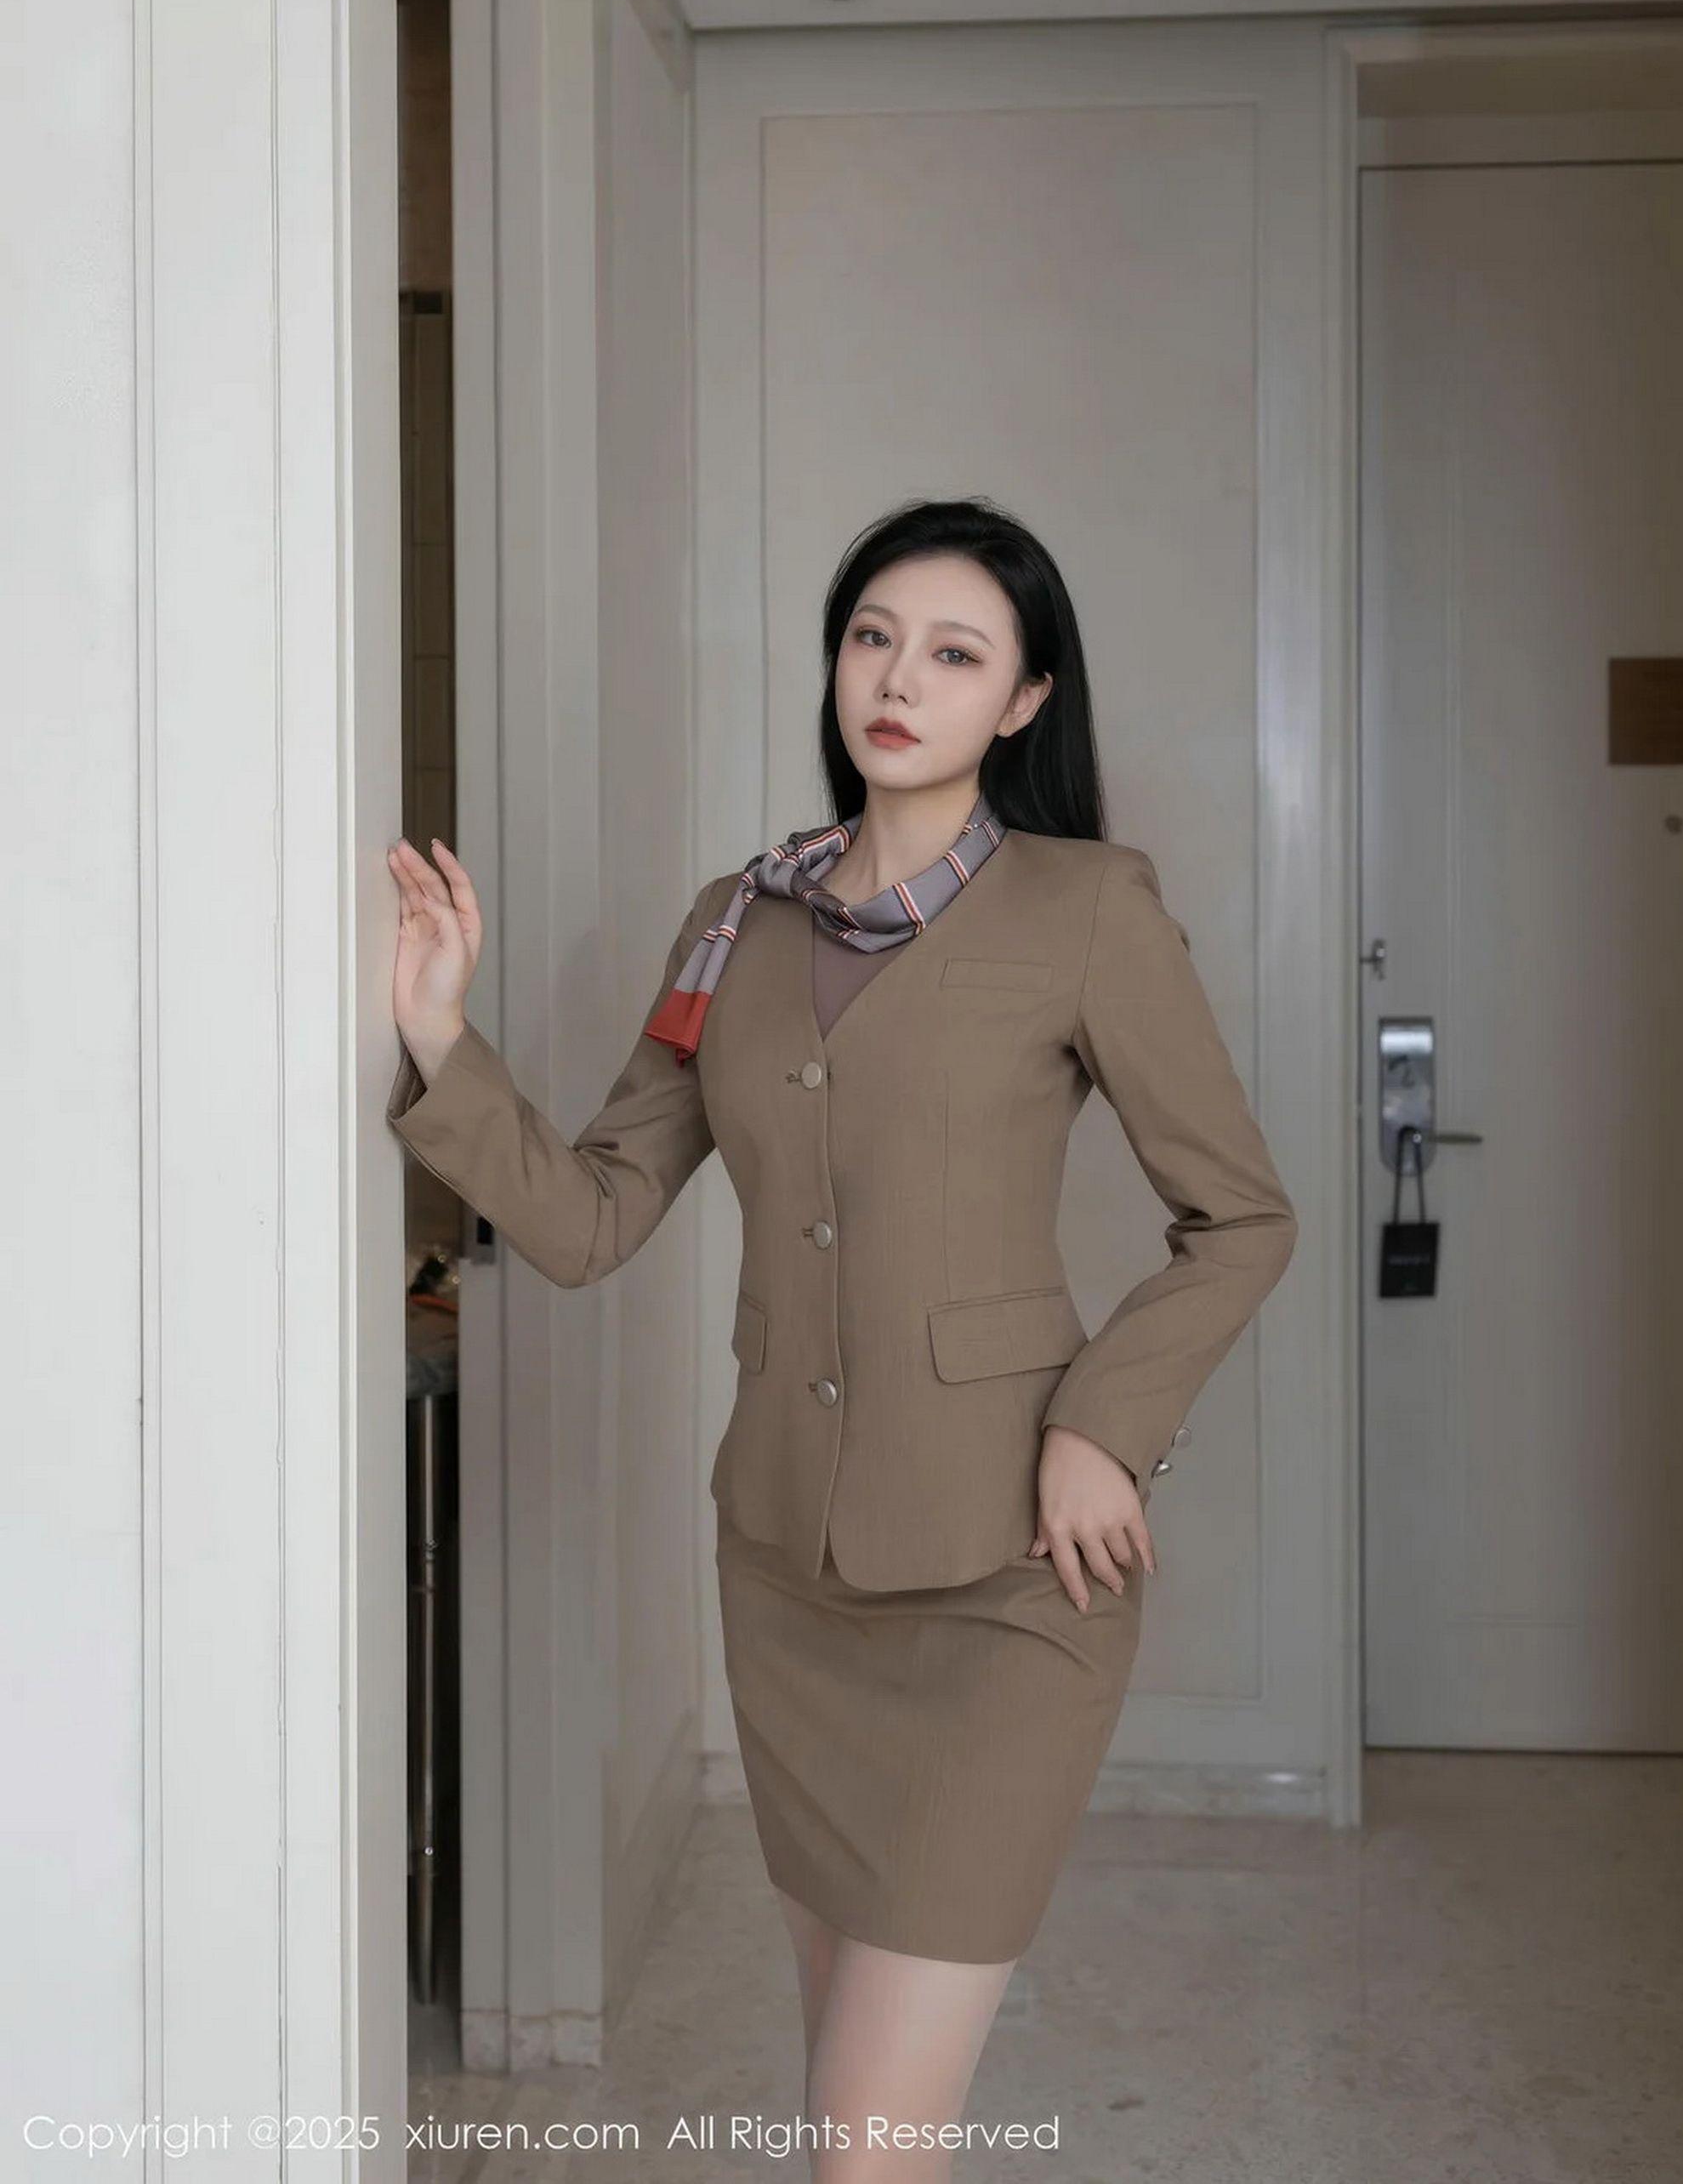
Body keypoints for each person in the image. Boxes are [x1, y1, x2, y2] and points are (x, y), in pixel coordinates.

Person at [386, 495, 1298, 2180]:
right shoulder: (737, 919)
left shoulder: (1088, 907)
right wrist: (443, 1037)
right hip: (790, 1580)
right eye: (873, 637)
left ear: (1024, 700)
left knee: (868, 2147)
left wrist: (1100, 1427)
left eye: (954, 653)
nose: (897, 678)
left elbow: (1242, 1216)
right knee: (853, 2128)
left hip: (1011, 1578)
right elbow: (591, 1217)